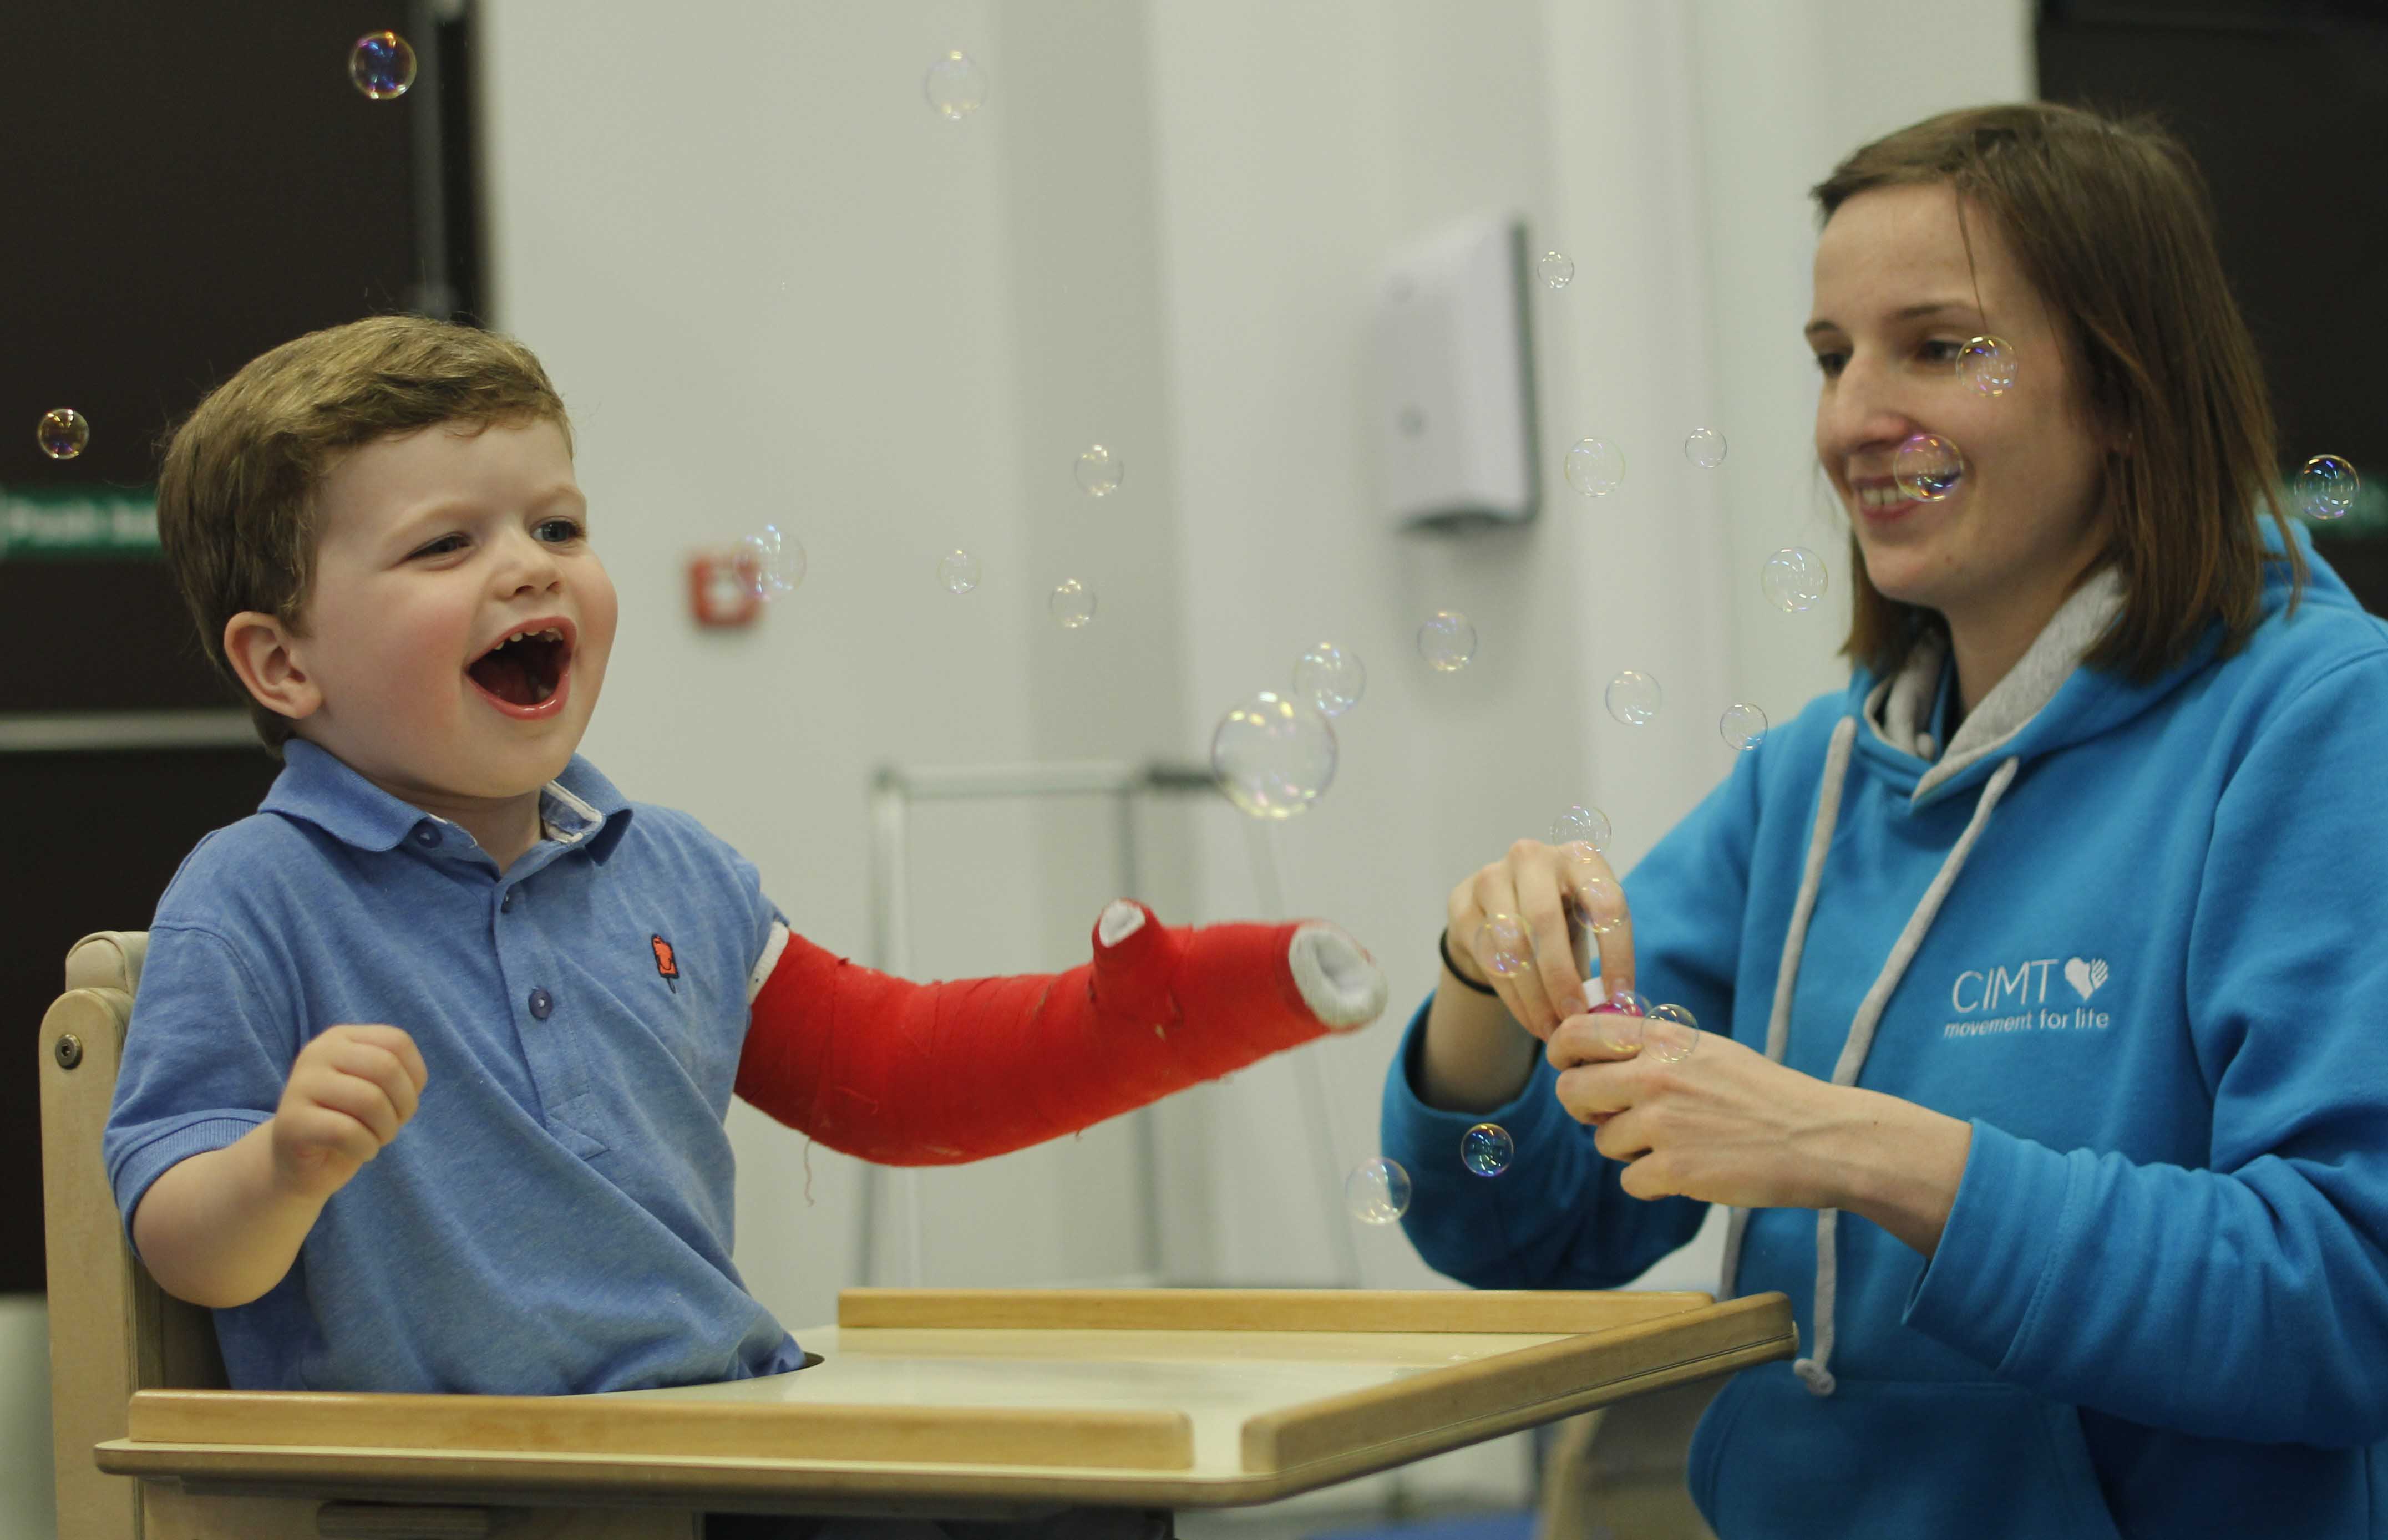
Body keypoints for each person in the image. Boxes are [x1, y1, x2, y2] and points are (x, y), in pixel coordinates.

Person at [1381, 101, 2388, 1538]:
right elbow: (1517, 1224)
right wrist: (1483, 981)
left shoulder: (2318, 722)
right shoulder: (1808, 781)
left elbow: (2349, 1301)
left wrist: (1856, 1149)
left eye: (1938, 345)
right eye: (1830, 356)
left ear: (2120, 387)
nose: (1852, 417)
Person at [103, 313, 1388, 1406]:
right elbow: (182, 1250)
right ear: (282, 663)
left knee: (1077, 1508)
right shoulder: (252, 897)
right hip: (471, 1491)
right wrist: (281, 1169)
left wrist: (1193, 1005)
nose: (525, 571)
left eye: (556, 528)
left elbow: (896, 1078)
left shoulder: (674, 872)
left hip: (715, 1438)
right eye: (447, 546)